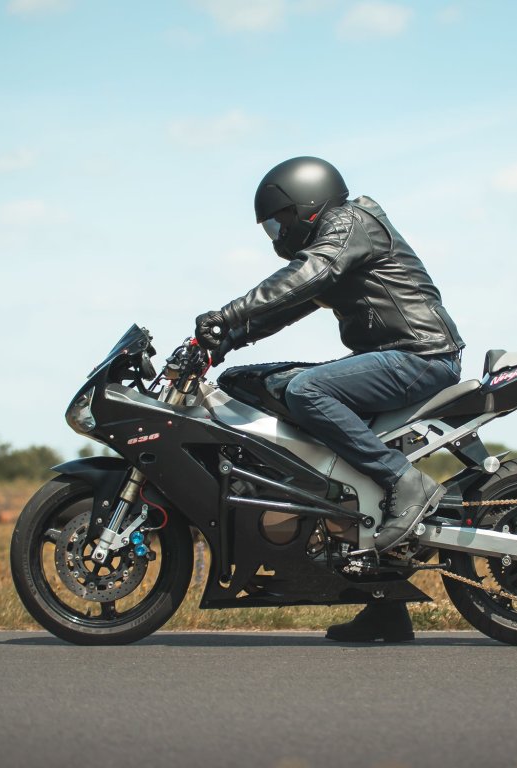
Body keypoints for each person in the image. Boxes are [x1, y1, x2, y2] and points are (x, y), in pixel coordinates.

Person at [194, 156, 465, 642]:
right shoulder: (334, 241)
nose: (278, 233)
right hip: (391, 359)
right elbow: (287, 306)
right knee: (244, 381)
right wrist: (222, 343)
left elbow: (309, 275)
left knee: (306, 389)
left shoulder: (349, 223)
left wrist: (227, 313)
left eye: (280, 220)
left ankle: (405, 483)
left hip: (419, 356)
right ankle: (386, 607)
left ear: (308, 202)